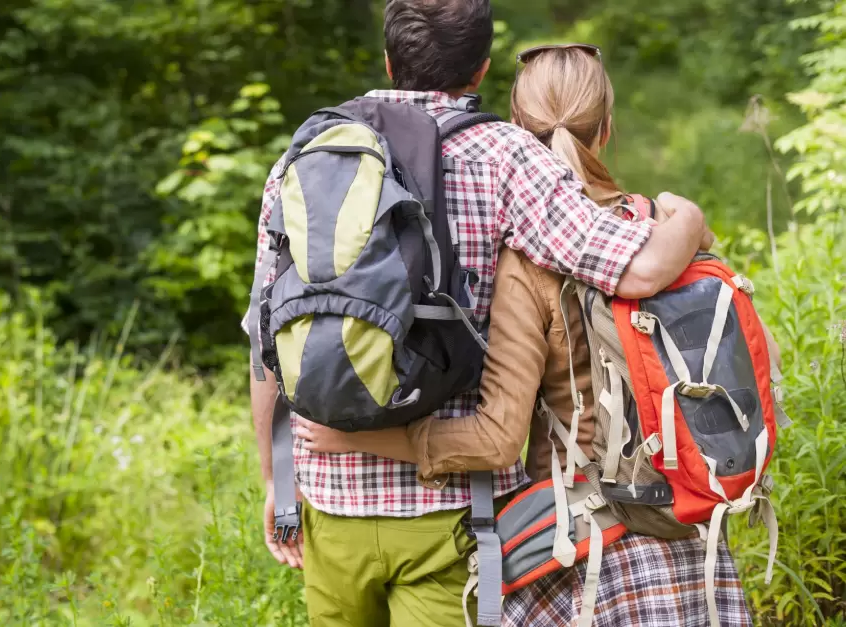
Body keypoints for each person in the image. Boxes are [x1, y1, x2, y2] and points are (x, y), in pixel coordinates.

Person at [249, 2, 714, 624]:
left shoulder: (308, 156)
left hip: (329, 494)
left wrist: (277, 485)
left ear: (389, 61)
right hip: (453, 511)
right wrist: (687, 218)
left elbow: (266, 343)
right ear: (481, 70)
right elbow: (639, 268)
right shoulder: (507, 156)